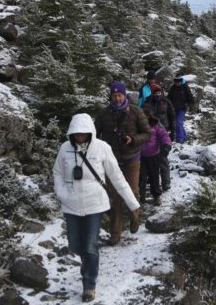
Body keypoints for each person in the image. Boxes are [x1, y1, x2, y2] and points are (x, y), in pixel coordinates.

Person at [53, 113, 141, 302]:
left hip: (95, 204)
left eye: (84, 133)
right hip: (71, 205)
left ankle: (89, 285)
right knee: (76, 245)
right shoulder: (64, 149)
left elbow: (117, 177)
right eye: (76, 134)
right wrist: (62, 194)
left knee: (91, 246)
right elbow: (58, 173)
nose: (80, 137)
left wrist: (133, 204)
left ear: (90, 132)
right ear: (71, 133)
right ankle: (87, 266)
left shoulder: (102, 148)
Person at [94, 80, 151, 245]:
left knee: (132, 192)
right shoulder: (105, 114)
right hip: (112, 161)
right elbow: (94, 133)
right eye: (114, 95)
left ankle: (135, 216)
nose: (117, 98)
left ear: (124, 95)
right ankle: (115, 233)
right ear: (111, 96)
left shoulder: (135, 111)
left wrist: (133, 139)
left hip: (132, 158)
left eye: (119, 95)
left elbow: (147, 133)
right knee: (115, 197)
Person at [141, 83, 175, 191]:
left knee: (163, 159)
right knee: (149, 160)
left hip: (162, 130)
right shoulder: (147, 102)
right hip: (150, 132)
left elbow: (172, 115)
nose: (158, 94)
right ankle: (149, 181)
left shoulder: (166, 101)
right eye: (156, 93)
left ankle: (166, 182)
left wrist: (173, 130)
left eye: (159, 92)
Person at [139, 114, 172, 205]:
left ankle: (156, 195)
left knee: (154, 177)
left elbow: (164, 135)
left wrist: (166, 145)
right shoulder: (136, 124)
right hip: (140, 155)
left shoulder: (156, 125)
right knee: (141, 177)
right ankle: (140, 196)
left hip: (154, 155)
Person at [167, 75, 195, 143]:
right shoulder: (172, 88)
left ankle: (180, 140)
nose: (177, 83)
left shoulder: (185, 87)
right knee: (177, 123)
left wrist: (189, 105)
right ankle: (184, 137)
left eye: (178, 82)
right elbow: (169, 98)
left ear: (181, 81)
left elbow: (190, 97)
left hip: (182, 108)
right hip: (173, 108)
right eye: (175, 82)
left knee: (179, 123)